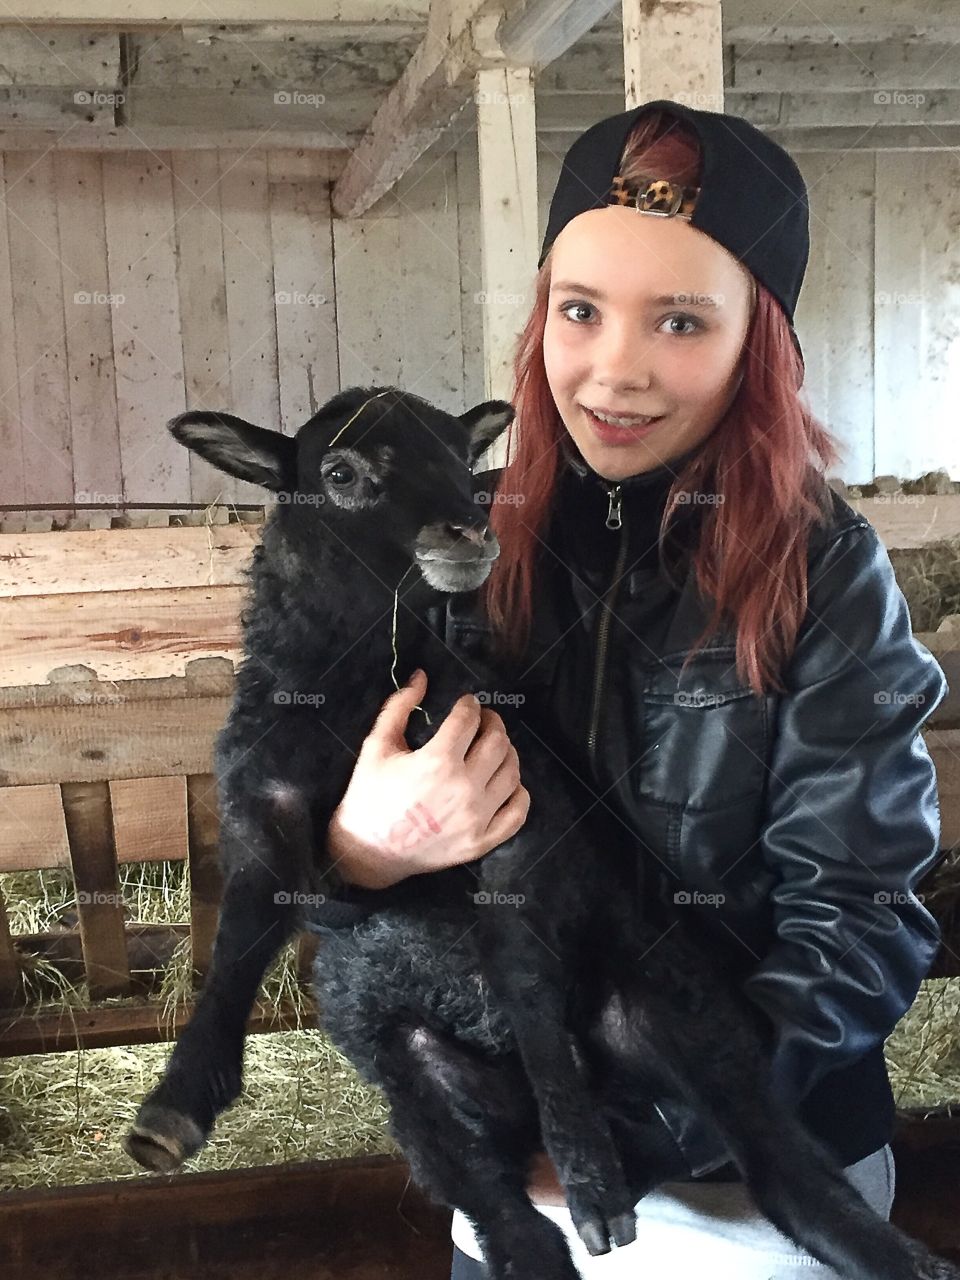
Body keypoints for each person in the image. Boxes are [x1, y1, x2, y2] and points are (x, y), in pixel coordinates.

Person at [325, 99, 948, 1279]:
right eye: (581, 310)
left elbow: (858, 914)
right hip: (529, 1187)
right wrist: (362, 847)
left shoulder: (822, 566)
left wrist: (618, 1132)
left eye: (678, 321)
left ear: (754, 341)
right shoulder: (452, 545)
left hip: (760, 1185)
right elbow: (308, 856)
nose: (616, 370)